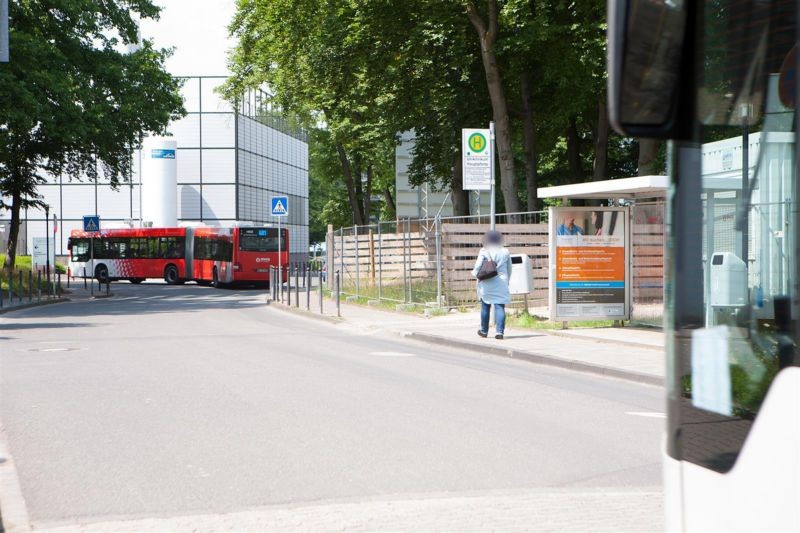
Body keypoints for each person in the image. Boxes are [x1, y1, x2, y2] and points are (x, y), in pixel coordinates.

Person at [471, 230, 512, 340]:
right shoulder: (505, 252)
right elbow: (509, 269)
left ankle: (484, 331)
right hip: (501, 282)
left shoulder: (484, 251)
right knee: (500, 307)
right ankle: (499, 332)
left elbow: (478, 266)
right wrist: (507, 281)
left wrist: (475, 275)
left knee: (485, 306)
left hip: (486, 282)